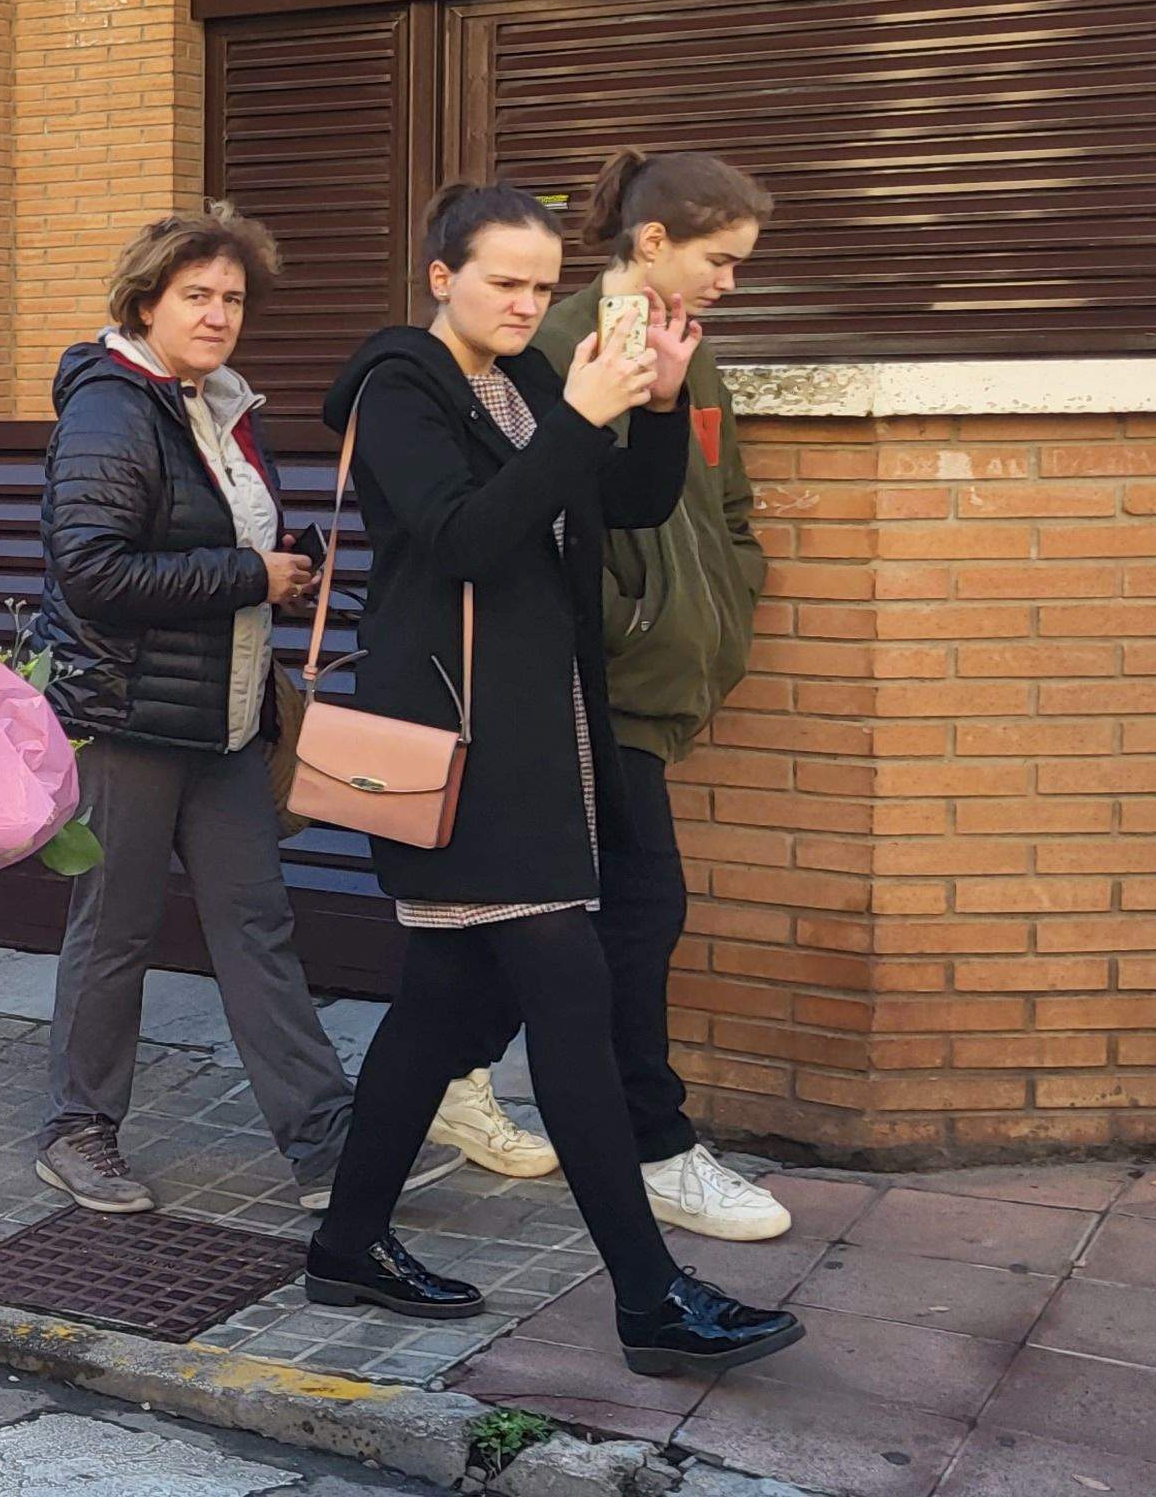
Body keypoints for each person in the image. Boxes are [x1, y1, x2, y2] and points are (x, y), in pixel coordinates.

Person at [303, 183, 800, 1379]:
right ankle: (649, 1299)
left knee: (434, 1018)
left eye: (539, 284)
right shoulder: (397, 388)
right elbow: (463, 537)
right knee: (569, 998)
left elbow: (621, 504)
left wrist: (661, 404)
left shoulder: (527, 381)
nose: (527, 303)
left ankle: (344, 1244)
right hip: (461, 752)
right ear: (440, 276)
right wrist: (579, 414)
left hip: (548, 738)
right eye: (503, 283)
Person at [23, 208, 459, 1216]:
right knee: (114, 931)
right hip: (126, 719)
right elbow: (90, 571)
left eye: (232, 299)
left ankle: (324, 1144)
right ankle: (77, 1130)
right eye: (196, 296)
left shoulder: (217, 404)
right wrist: (243, 574)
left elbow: (212, 545)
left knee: (257, 925)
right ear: (145, 303)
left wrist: (282, 577)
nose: (219, 314)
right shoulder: (109, 408)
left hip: (224, 721)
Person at [422, 151, 792, 1239]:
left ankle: (445, 1078)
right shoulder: (549, 343)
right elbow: (512, 518)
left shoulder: (689, 349)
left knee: (538, 915)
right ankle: (652, 1144)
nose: (729, 283)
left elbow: (713, 495)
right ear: (652, 243)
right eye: (717, 260)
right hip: (584, 679)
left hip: (649, 675)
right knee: (639, 908)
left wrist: (733, 584)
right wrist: (629, 617)